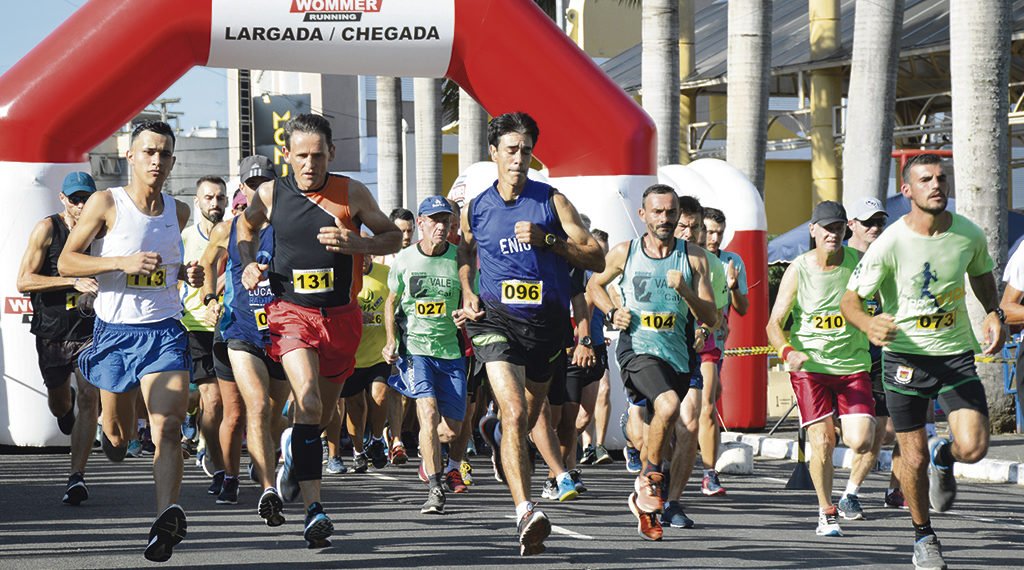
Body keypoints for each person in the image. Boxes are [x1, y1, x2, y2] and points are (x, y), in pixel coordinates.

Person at [236, 113, 402, 547]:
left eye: (317, 155)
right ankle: (314, 509)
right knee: (307, 399)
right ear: (287, 155)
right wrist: (249, 261)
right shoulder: (272, 193)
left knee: (322, 415)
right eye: (301, 156)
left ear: (332, 152)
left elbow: (393, 237)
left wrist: (359, 244)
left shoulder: (352, 193)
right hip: (292, 313)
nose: (309, 164)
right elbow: (246, 227)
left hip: (342, 317)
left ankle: (295, 448)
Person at [842, 154, 1004, 569]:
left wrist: (993, 312)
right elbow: (851, 301)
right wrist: (867, 323)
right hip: (905, 359)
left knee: (974, 447)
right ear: (907, 190)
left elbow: (982, 273)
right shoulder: (890, 242)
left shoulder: (968, 233)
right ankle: (923, 535)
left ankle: (944, 458)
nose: (936, 185)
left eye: (941, 178)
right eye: (925, 179)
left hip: (954, 354)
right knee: (909, 457)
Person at [58, 121, 204, 562]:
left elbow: (169, 271)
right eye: (148, 153)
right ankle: (111, 435)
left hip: (164, 332)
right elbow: (67, 262)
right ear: (131, 157)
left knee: (169, 427)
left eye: (164, 154)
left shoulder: (178, 212)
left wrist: (190, 275)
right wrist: (122, 261)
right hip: (116, 334)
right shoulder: (106, 203)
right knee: (119, 441)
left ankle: (166, 517)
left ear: (173, 161)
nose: (156, 161)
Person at [459, 111, 604, 555]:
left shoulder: (552, 201)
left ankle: (505, 441)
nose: (519, 158)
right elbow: (465, 248)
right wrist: (467, 291)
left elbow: (595, 258)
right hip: (495, 321)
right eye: (511, 150)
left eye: (525, 150)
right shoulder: (478, 206)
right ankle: (526, 510)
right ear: (494, 154)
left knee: (526, 415)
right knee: (516, 411)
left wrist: (549, 242)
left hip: (546, 327)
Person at [588, 184, 718, 542]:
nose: (664, 218)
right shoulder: (625, 253)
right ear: (643, 215)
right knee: (669, 404)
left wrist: (686, 292)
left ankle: (649, 505)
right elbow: (593, 287)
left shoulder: (694, 259)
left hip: (677, 355)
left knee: (670, 421)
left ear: (679, 216)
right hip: (637, 350)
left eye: (670, 212)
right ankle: (650, 477)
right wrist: (613, 312)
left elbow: (712, 317)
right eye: (657, 212)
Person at [767, 200, 876, 537]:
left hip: (853, 365)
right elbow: (774, 323)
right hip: (810, 366)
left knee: (860, 440)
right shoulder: (799, 268)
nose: (833, 234)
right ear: (813, 230)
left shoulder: (861, 264)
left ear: (847, 229)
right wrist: (787, 351)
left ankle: (842, 427)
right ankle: (826, 510)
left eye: (839, 227)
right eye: (827, 228)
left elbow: (887, 300)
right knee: (822, 441)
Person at [199, 155, 291, 520]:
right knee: (241, 410)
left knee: (273, 415)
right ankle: (235, 478)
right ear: (242, 189)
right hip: (237, 329)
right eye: (252, 185)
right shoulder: (229, 228)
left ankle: (260, 459)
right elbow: (208, 263)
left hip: (280, 332)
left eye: (264, 184)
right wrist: (209, 297)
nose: (258, 191)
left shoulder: (288, 226)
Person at [16, 171, 100, 506]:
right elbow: (24, 281)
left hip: (90, 330)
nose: (81, 205)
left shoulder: (103, 230)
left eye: (87, 198)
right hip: (52, 330)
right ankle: (65, 416)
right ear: (63, 199)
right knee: (60, 401)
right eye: (76, 199)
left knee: (90, 398)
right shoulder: (48, 228)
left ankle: (76, 476)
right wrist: (71, 282)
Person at [383, 196, 467, 514]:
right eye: (434, 220)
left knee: (451, 430)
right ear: (421, 223)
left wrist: (466, 313)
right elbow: (390, 301)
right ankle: (435, 487)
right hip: (417, 350)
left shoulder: (459, 259)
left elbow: (471, 299)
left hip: (451, 352)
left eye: (445, 220)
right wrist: (392, 340)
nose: (441, 226)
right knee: (428, 415)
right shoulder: (405, 259)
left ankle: (425, 448)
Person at [841, 197, 903, 517]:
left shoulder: (890, 258)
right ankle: (846, 493)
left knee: (898, 428)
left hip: (883, 355)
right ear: (851, 224)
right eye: (868, 222)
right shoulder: (842, 260)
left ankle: (887, 489)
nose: (875, 228)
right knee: (867, 434)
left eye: (880, 221)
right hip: (845, 359)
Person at [180, 175, 228, 488]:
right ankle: (214, 458)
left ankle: (210, 451)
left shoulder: (238, 234)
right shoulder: (184, 237)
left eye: (220, 198)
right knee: (208, 397)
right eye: (208, 198)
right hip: (194, 324)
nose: (215, 204)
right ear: (197, 201)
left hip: (230, 326)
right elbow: (171, 277)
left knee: (224, 403)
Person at [698, 207, 749, 496]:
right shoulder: (689, 255)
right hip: (681, 341)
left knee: (709, 403)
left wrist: (732, 288)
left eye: (720, 232)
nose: (715, 238)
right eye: (710, 231)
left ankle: (709, 473)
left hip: (713, 343)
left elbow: (742, 309)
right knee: (685, 408)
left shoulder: (733, 260)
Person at [576, 229, 614, 467]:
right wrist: (584, 338)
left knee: (602, 392)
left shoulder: (607, 278)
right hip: (577, 346)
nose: (603, 257)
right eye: (599, 251)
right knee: (571, 409)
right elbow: (585, 311)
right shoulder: (582, 275)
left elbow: (605, 314)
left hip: (597, 344)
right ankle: (580, 448)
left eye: (605, 252)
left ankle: (596, 446)